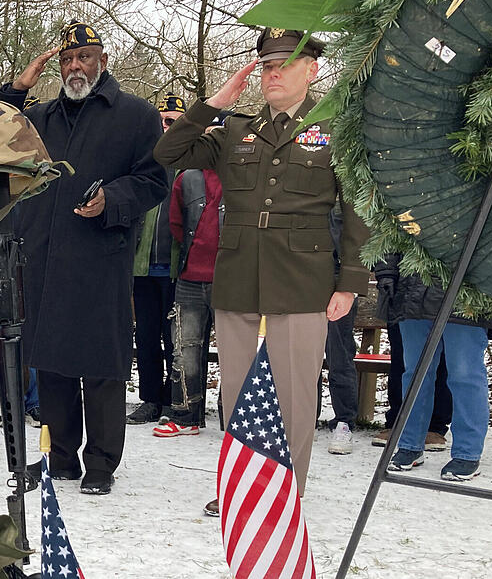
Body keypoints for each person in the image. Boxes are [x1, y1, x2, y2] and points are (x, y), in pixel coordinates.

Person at [155, 28, 371, 516]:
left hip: (303, 277)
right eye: (266, 65)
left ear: (311, 70)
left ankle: (286, 489)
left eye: (284, 65)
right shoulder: (235, 128)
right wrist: (216, 102)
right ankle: (241, 487)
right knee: (235, 388)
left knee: (295, 389)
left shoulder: (337, 128)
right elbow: (168, 153)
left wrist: (350, 282)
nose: (272, 73)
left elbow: (358, 210)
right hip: (237, 274)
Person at [0, 21, 169, 495]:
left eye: (85, 57)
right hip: (44, 258)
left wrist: (111, 199)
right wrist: (16, 89)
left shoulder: (136, 115)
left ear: (102, 61)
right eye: (68, 59)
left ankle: (101, 462)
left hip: (100, 258)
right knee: (50, 363)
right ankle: (60, 457)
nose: (75, 66)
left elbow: (155, 179)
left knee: (100, 365)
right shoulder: (42, 116)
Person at [375, 254, 492, 480]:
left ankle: (467, 453)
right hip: (413, 292)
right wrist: (385, 270)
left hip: (467, 294)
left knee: (465, 375)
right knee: (414, 372)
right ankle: (409, 445)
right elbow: (388, 227)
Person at [153, 110, 230, 438]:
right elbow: (176, 225)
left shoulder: (241, 177)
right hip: (190, 278)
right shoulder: (187, 177)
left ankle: (234, 422)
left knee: (234, 352)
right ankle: (186, 416)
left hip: (233, 280)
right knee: (184, 347)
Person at [128, 93, 185, 425]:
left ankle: (175, 400)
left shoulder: (194, 163)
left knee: (175, 338)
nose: (168, 127)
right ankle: (150, 399)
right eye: (164, 120)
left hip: (179, 269)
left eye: (175, 121)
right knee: (146, 335)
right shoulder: (144, 163)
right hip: (143, 267)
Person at [374, 323, 452, 450]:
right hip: (405, 308)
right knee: (402, 357)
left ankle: (435, 427)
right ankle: (397, 423)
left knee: (442, 359)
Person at [321, 206, 359, 454]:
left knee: (339, 355)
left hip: (336, 283)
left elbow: (356, 240)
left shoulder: (344, 196)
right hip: (298, 279)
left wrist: (349, 286)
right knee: (299, 356)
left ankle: (344, 421)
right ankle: (300, 417)